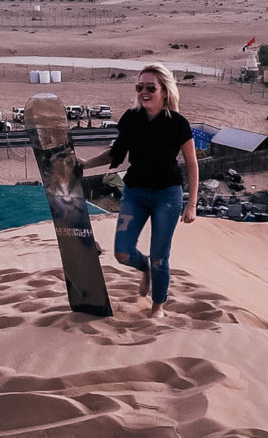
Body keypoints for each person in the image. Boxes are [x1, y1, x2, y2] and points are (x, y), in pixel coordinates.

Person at [79, 64, 198, 317]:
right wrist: (86, 164)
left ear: (164, 92)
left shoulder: (178, 124)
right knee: (122, 253)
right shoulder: (131, 118)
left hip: (167, 196)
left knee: (160, 258)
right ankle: (143, 267)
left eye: (150, 88)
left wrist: (192, 204)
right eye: (139, 87)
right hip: (135, 192)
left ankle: (158, 308)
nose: (144, 92)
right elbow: (116, 153)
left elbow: (192, 163)